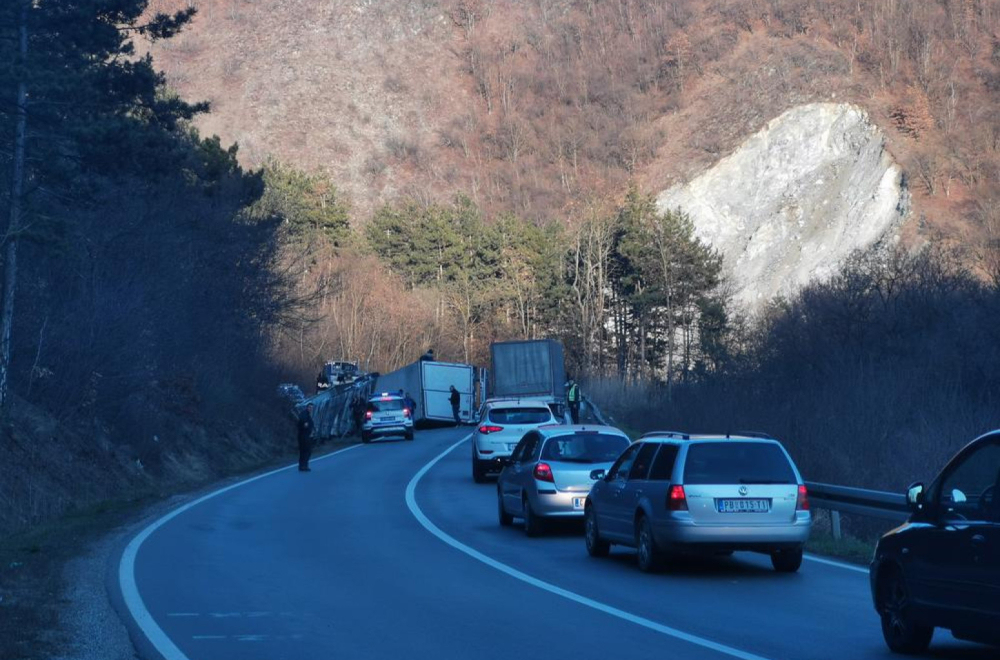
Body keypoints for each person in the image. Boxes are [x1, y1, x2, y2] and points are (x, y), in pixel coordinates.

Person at [297, 403, 315, 472]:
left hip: (305, 435)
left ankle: (302, 466)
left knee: (304, 451)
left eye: (311, 408)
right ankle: (304, 466)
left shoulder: (307, 415)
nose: (310, 409)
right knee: (307, 451)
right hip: (304, 435)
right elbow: (302, 419)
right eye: (309, 407)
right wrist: (305, 422)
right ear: (307, 407)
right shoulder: (304, 414)